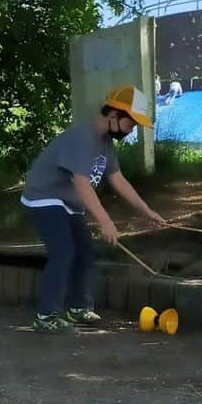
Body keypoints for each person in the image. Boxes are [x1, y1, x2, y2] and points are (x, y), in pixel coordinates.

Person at [20, 85, 167, 333]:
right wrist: (105, 221)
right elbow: (81, 182)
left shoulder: (105, 143)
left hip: (68, 203)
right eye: (131, 124)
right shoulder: (83, 138)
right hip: (44, 198)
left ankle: (78, 308)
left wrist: (147, 211)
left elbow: (118, 180)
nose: (132, 130)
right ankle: (46, 317)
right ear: (114, 116)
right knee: (63, 251)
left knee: (85, 252)